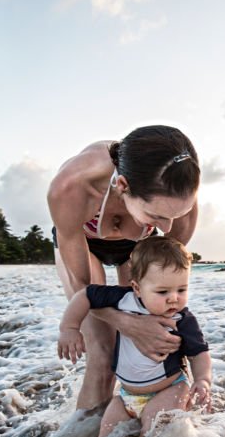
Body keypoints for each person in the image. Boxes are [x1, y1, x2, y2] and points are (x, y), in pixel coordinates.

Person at [48, 126, 201, 411]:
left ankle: (161, 432)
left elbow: (167, 269)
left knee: (157, 343)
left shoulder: (180, 199)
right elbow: (85, 291)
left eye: (175, 216)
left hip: (136, 250)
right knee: (105, 353)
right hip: (85, 244)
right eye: (156, 216)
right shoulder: (72, 187)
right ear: (122, 186)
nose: (167, 228)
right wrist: (127, 322)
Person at [57, 237, 212, 437]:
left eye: (181, 289)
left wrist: (202, 380)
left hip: (169, 389)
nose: (174, 298)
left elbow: (199, 353)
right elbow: (85, 295)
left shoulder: (182, 319)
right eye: (162, 291)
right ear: (137, 288)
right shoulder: (123, 299)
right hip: (125, 396)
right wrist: (69, 328)